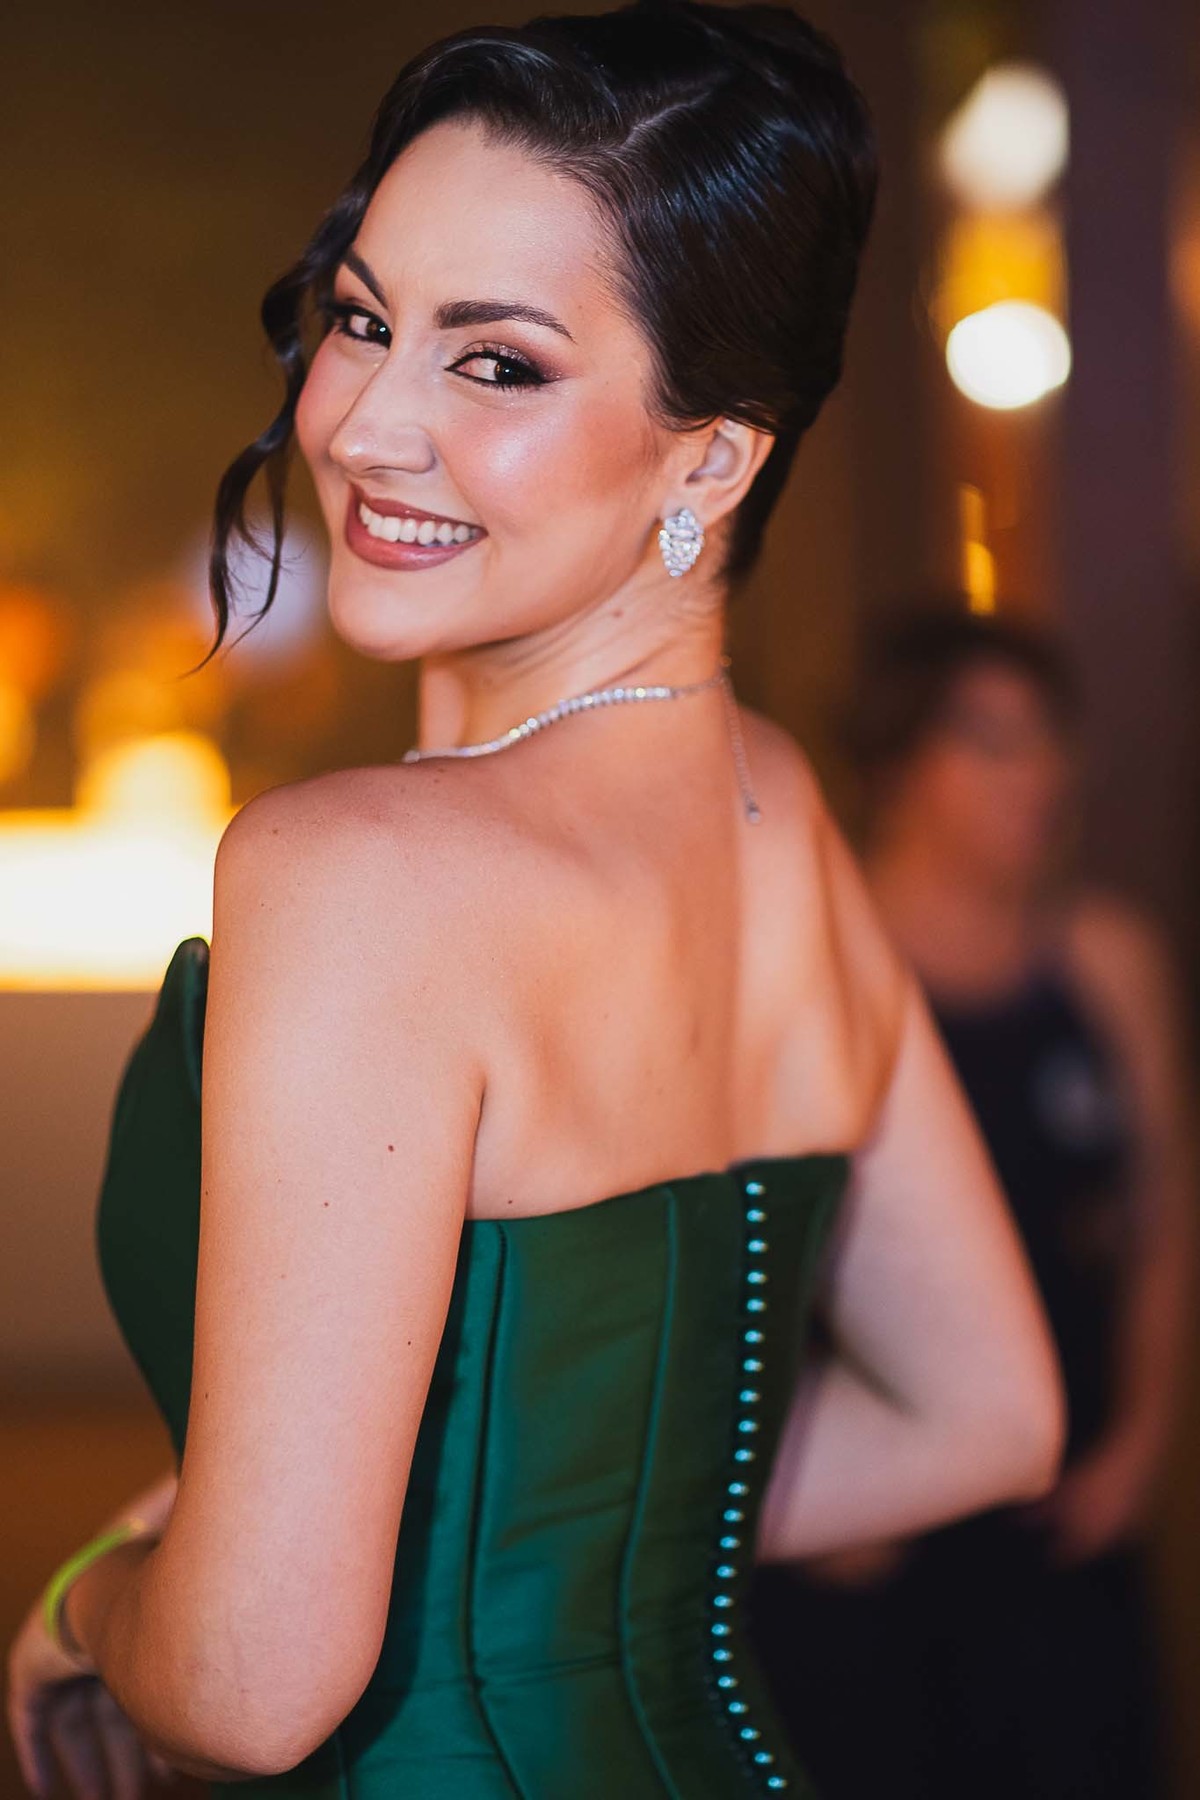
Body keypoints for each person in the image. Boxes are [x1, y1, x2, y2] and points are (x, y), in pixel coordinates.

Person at [6, 13, 1063, 1798]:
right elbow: (988, 1415)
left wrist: (88, 1608)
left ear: (710, 460)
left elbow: (251, 1685)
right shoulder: (780, 816)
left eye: (496, 365)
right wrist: (465, 1537)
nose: (365, 424)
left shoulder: (359, 876)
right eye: (363, 320)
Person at [749, 606, 1194, 1800]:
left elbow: (1160, 1221)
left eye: (1049, 735)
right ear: (896, 767)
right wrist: (798, 1488)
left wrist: (1140, 1446)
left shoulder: (1107, 961)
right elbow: (738, 1252)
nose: (1038, 772)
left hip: (1064, 1515)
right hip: (873, 1537)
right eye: (992, 740)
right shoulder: (814, 968)